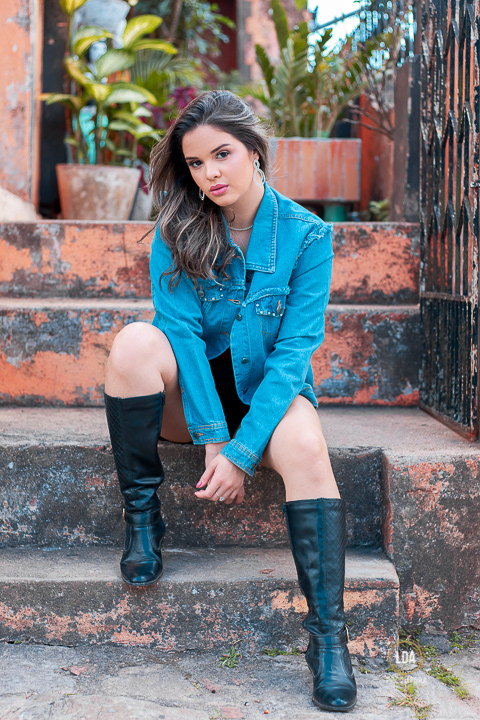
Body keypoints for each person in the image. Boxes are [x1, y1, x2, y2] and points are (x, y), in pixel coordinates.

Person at [103, 90, 357, 713]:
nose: (210, 174)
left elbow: (294, 354)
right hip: (191, 405)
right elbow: (182, 334)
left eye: (222, 154)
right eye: (195, 163)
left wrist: (243, 450)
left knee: (306, 444)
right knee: (135, 343)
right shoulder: (178, 230)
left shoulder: (307, 236)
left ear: (254, 151)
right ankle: (143, 520)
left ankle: (328, 641)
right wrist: (213, 436)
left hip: (266, 399)